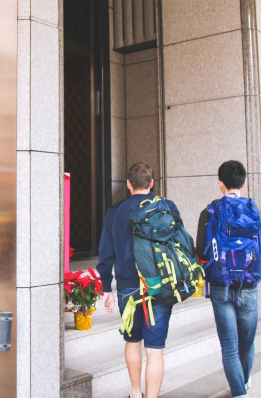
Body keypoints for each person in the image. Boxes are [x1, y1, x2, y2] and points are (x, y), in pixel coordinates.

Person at [97, 162, 183, 398]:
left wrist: (106, 288)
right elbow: (180, 246)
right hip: (160, 287)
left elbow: (106, 253)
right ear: (151, 183)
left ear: (128, 184)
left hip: (129, 288)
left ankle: (136, 393)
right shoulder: (167, 206)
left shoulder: (115, 212)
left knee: (133, 341)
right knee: (155, 349)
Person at [196, 160, 261, 398]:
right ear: (244, 183)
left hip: (221, 286)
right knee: (246, 344)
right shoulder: (256, 212)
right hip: (248, 286)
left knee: (229, 347)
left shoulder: (209, 213)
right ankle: (244, 382)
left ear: (220, 184)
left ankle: (240, 393)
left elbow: (201, 252)